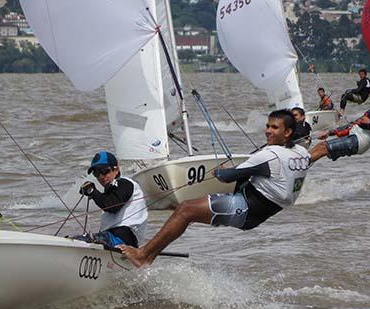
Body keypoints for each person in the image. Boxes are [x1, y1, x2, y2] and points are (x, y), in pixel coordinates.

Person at [119, 110, 311, 268]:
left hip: (245, 209)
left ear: (287, 132)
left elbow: (228, 176)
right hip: (260, 211)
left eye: (274, 127)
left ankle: (144, 255)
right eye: (268, 126)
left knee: (186, 210)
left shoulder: (269, 155)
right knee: (185, 210)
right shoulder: (301, 153)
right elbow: (319, 152)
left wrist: (221, 172)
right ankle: (150, 250)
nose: (268, 131)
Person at [76, 151, 147, 248]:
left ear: (116, 170)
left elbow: (112, 206)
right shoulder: (110, 192)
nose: (101, 176)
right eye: (96, 173)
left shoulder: (124, 183)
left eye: (104, 171)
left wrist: (92, 191)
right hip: (112, 238)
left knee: (84, 240)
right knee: (82, 239)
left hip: (125, 238)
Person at [311, 83, 370, 163]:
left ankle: (302, 163)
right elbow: (352, 125)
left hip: (359, 141)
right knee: (321, 145)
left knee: (323, 148)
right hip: (353, 136)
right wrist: (329, 133)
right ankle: (302, 162)